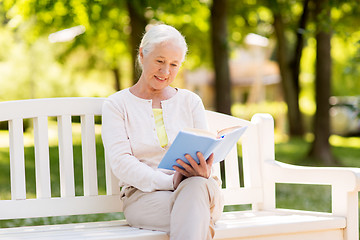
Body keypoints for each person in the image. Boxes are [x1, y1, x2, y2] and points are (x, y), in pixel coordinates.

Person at [101, 24, 223, 240]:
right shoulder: (117, 105)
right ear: (142, 54)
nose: (166, 71)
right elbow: (121, 162)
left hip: (200, 188)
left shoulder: (190, 101)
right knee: (194, 214)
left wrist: (205, 171)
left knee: (195, 190)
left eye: (174, 64)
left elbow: (205, 150)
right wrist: (170, 182)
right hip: (145, 197)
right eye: (160, 61)